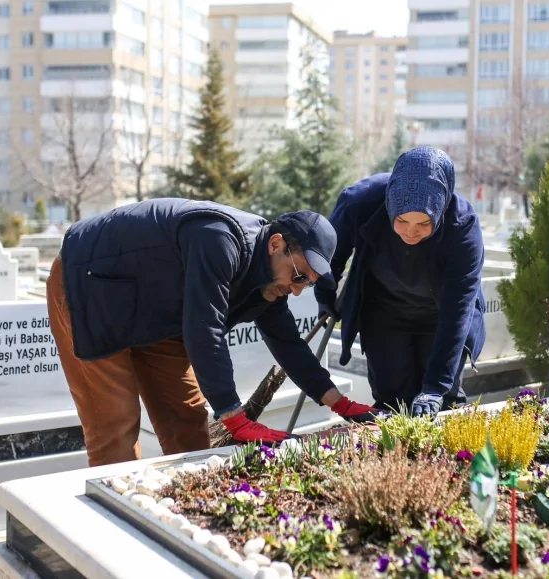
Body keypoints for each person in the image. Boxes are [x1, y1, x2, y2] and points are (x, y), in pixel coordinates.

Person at [46, 199, 379, 467]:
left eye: (307, 283)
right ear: (276, 244)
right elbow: (204, 327)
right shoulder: (219, 238)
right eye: (299, 276)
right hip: (91, 284)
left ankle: (177, 512)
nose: (296, 290)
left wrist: (340, 403)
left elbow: (288, 344)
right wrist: (233, 415)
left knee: (186, 417)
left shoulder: (269, 278)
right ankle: (115, 528)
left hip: (153, 307)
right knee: (116, 421)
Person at [316, 146, 486, 417]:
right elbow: (330, 254)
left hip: (441, 314)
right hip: (384, 309)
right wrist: (325, 296)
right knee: (392, 398)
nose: (410, 232)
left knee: (444, 401)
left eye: (423, 224)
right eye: (403, 220)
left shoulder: (463, 227)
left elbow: (457, 310)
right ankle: (394, 458)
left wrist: (434, 387)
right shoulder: (359, 202)